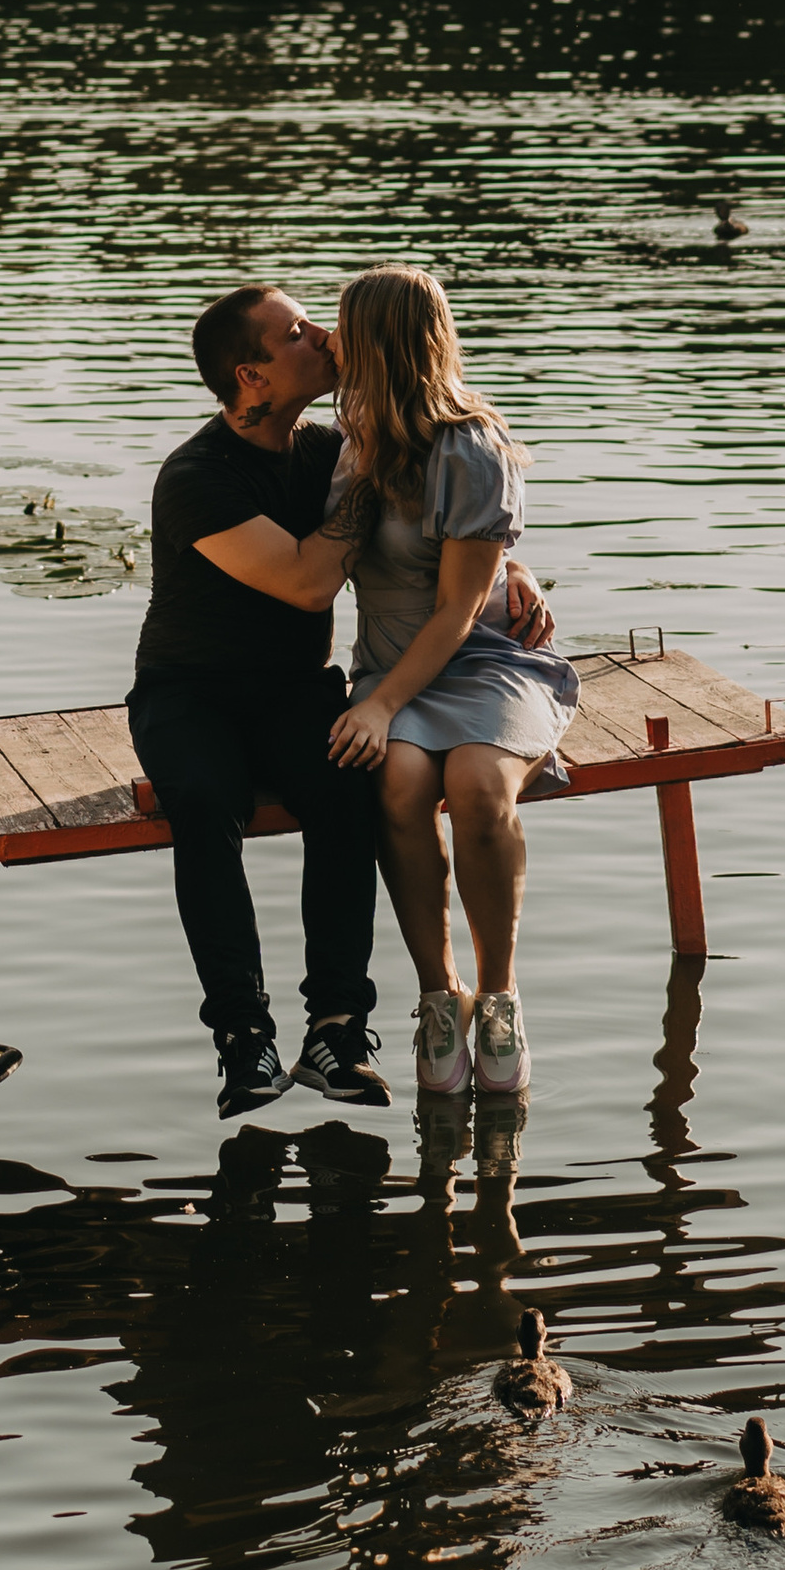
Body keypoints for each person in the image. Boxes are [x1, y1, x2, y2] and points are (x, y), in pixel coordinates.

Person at [127, 283, 554, 1119]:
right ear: (251, 377)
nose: (321, 336)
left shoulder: (331, 450)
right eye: (297, 333)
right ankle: (245, 1040)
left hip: (294, 690)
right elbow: (309, 580)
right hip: (192, 692)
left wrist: (511, 568)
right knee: (207, 804)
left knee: (344, 791)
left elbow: (449, 520)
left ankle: (336, 1028)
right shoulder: (196, 478)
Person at [323, 266, 578, 1099]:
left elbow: (463, 608)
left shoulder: (472, 446)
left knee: (473, 784)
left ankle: (499, 999)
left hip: (481, 660)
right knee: (397, 780)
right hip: (392, 661)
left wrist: (384, 702)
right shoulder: (354, 437)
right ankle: (440, 997)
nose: (331, 342)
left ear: (378, 342)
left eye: (342, 329)